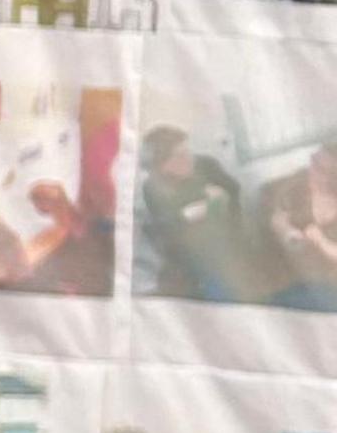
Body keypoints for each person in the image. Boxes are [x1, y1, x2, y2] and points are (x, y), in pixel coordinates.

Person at [140, 127, 290, 303]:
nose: (189, 159)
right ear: (162, 165)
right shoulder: (152, 187)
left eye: (187, 151)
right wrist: (194, 212)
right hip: (192, 251)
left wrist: (212, 204)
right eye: (179, 156)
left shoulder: (206, 164)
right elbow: (166, 226)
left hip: (228, 238)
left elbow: (232, 191)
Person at [265, 143, 337, 310]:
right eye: (313, 160)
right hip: (303, 278)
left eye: (320, 167)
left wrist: (320, 240)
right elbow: (277, 216)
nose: (311, 169)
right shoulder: (297, 187)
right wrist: (286, 232)